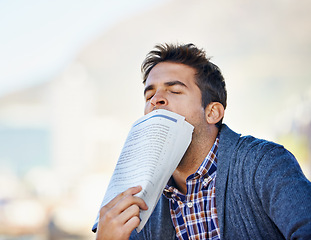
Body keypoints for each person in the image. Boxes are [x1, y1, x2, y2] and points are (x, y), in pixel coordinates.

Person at [94, 43, 311, 239]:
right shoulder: (140, 204)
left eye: (175, 90)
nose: (155, 100)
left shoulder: (264, 163)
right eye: (149, 95)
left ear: (213, 113)